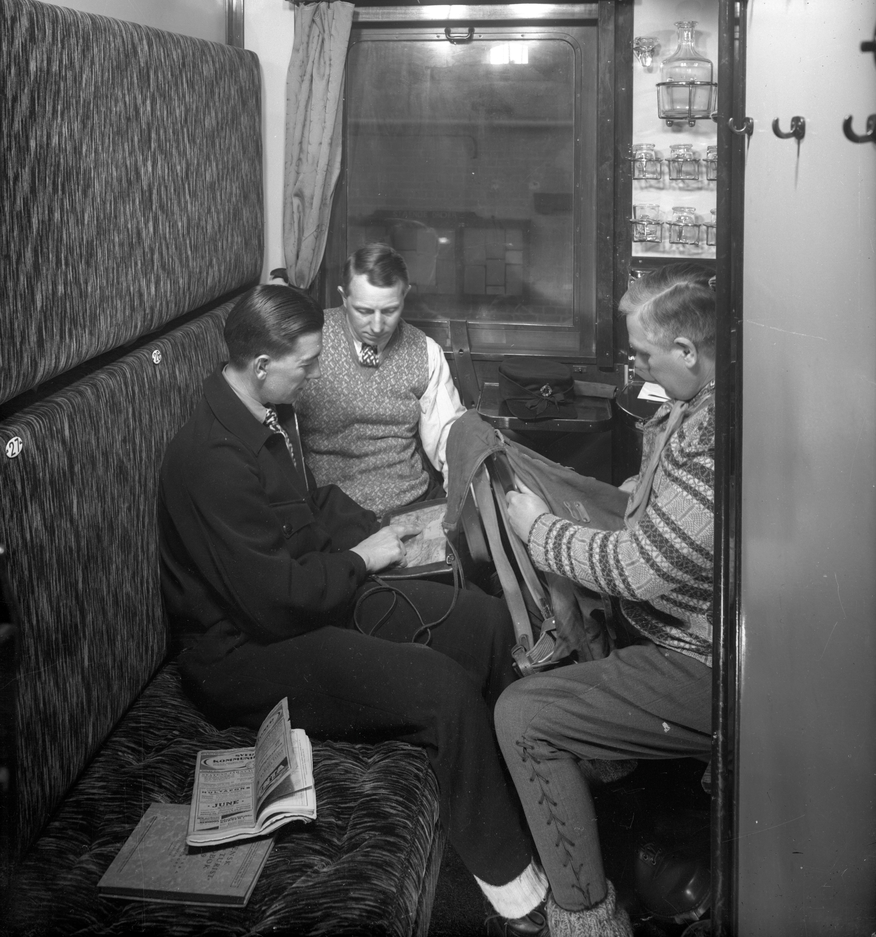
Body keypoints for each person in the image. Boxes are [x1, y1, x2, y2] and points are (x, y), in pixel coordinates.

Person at [158, 285, 549, 935]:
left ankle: (529, 800)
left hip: (304, 601)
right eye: (306, 363)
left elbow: (304, 517)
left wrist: (381, 536)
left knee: (483, 621)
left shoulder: (264, 414)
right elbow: (273, 603)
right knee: (443, 690)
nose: (313, 374)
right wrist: (362, 561)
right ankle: (516, 892)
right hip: (245, 655)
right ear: (262, 364)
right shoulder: (210, 460)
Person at [495, 263, 717, 937]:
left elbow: (641, 569)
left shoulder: (715, 436)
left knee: (522, 717)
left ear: (686, 351)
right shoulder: (694, 404)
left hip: (701, 661)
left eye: (645, 353)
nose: (637, 367)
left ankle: (586, 917)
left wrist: (540, 530)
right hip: (674, 638)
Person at [294, 243, 465, 515]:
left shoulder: (426, 351)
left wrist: (456, 506)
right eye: (364, 311)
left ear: (404, 295)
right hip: (330, 511)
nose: (376, 326)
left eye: (389, 311)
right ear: (344, 297)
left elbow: (449, 436)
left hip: (411, 502)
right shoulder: (307, 341)